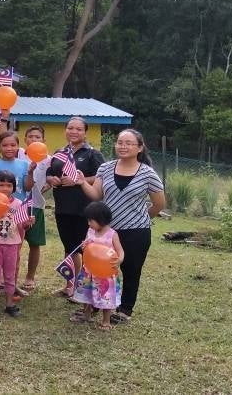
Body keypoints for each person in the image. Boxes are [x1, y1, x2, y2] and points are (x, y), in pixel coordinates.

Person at [77, 129, 165, 324]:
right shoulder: (106, 168)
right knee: (99, 269)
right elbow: (96, 195)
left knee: (131, 270)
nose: (122, 146)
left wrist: (143, 218)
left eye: (128, 143)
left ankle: (124, 309)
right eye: (119, 142)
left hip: (136, 232)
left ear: (140, 148)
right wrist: (83, 182)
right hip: (106, 232)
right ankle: (96, 305)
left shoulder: (147, 173)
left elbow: (159, 203)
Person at [47, 117, 104, 298]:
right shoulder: (59, 152)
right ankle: (70, 286)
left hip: (84, 209)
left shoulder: (92, 154)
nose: (74, 132)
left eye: (78, 129)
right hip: (63, 208)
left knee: (85, 249)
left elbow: (100, 177)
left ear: (85, 132)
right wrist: (51, 179)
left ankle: (85, 287)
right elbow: (50, 172)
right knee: (68, 247)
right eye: (70, 128)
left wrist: (78, 181)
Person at [0, 170, 34, 319]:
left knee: (10, 275)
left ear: (14, 187)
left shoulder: (18, 204)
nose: (5, 188)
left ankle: (9, 304)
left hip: (12, 244)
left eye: (9, 185)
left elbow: (22, 225)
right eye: (1, 185)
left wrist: (29, 223)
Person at [70, 202, 124, 331]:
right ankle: (86, 314)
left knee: (106, 297)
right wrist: (84, 247)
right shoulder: (90, 232)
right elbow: (88, 247)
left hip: (105, 274)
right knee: (86, 293)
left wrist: (119, 260)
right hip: (89, 271)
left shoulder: (112, 234)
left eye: (91, 220)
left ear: (101, 219)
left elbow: (120, 251)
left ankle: (106, 320)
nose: (89, 223)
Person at [20, 126, 50, 291]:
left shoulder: (49, 160)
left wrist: (49, 183)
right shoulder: (18, 154)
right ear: (25, 140)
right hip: (17, 205)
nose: (34, 139)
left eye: (37, 137)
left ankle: (30, 277)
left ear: (43, 141)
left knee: (34, 243)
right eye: (30, 136)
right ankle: (10, 275)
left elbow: (53, 177)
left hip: (36, 205)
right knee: (14, 243)